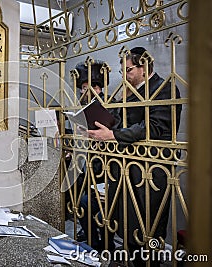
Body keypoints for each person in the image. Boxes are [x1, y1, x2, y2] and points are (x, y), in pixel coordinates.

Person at [87, 47, 182, 266]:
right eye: (123, 71)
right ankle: (130, 253)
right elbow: (121, 123)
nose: (125, 76)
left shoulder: (165, 88)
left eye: (128, 70)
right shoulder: (129, 91)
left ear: (144, 67)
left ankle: (150, 261)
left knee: (150, 224)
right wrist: (99, 128)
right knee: (129, 223)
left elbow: (155, 127)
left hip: (153, 169)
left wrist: (113, 134)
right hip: (127, 167)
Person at [72, 61, 120, 252]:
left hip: (112, 165)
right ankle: (94, 244)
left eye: (91, 87)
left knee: (105, 213)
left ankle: (107, 246)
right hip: (92, 164)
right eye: (83, 88)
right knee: (84, 204)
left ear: (99, 87)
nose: (87, 91)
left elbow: (117, 130)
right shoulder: (82, 106)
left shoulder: (112, 103)